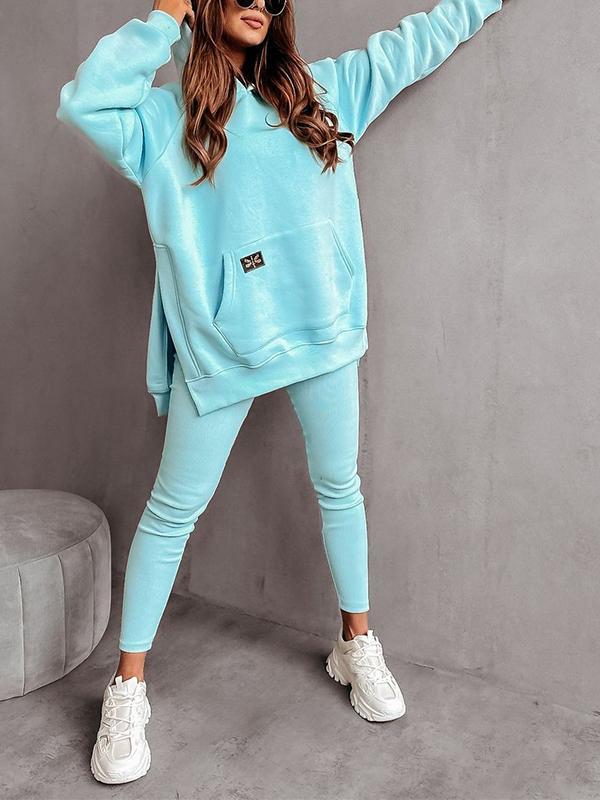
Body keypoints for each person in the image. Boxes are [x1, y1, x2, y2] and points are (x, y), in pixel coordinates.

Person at [56, 0, 504, 784]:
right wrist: (162, 18)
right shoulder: (160, 121)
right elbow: (84, 102)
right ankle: (126, 689)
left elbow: (419, 41)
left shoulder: (322, 94)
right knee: (172, 513)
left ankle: (355, 643)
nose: (260, 2)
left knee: (340, 487)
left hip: (323, 332)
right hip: (223, 351)